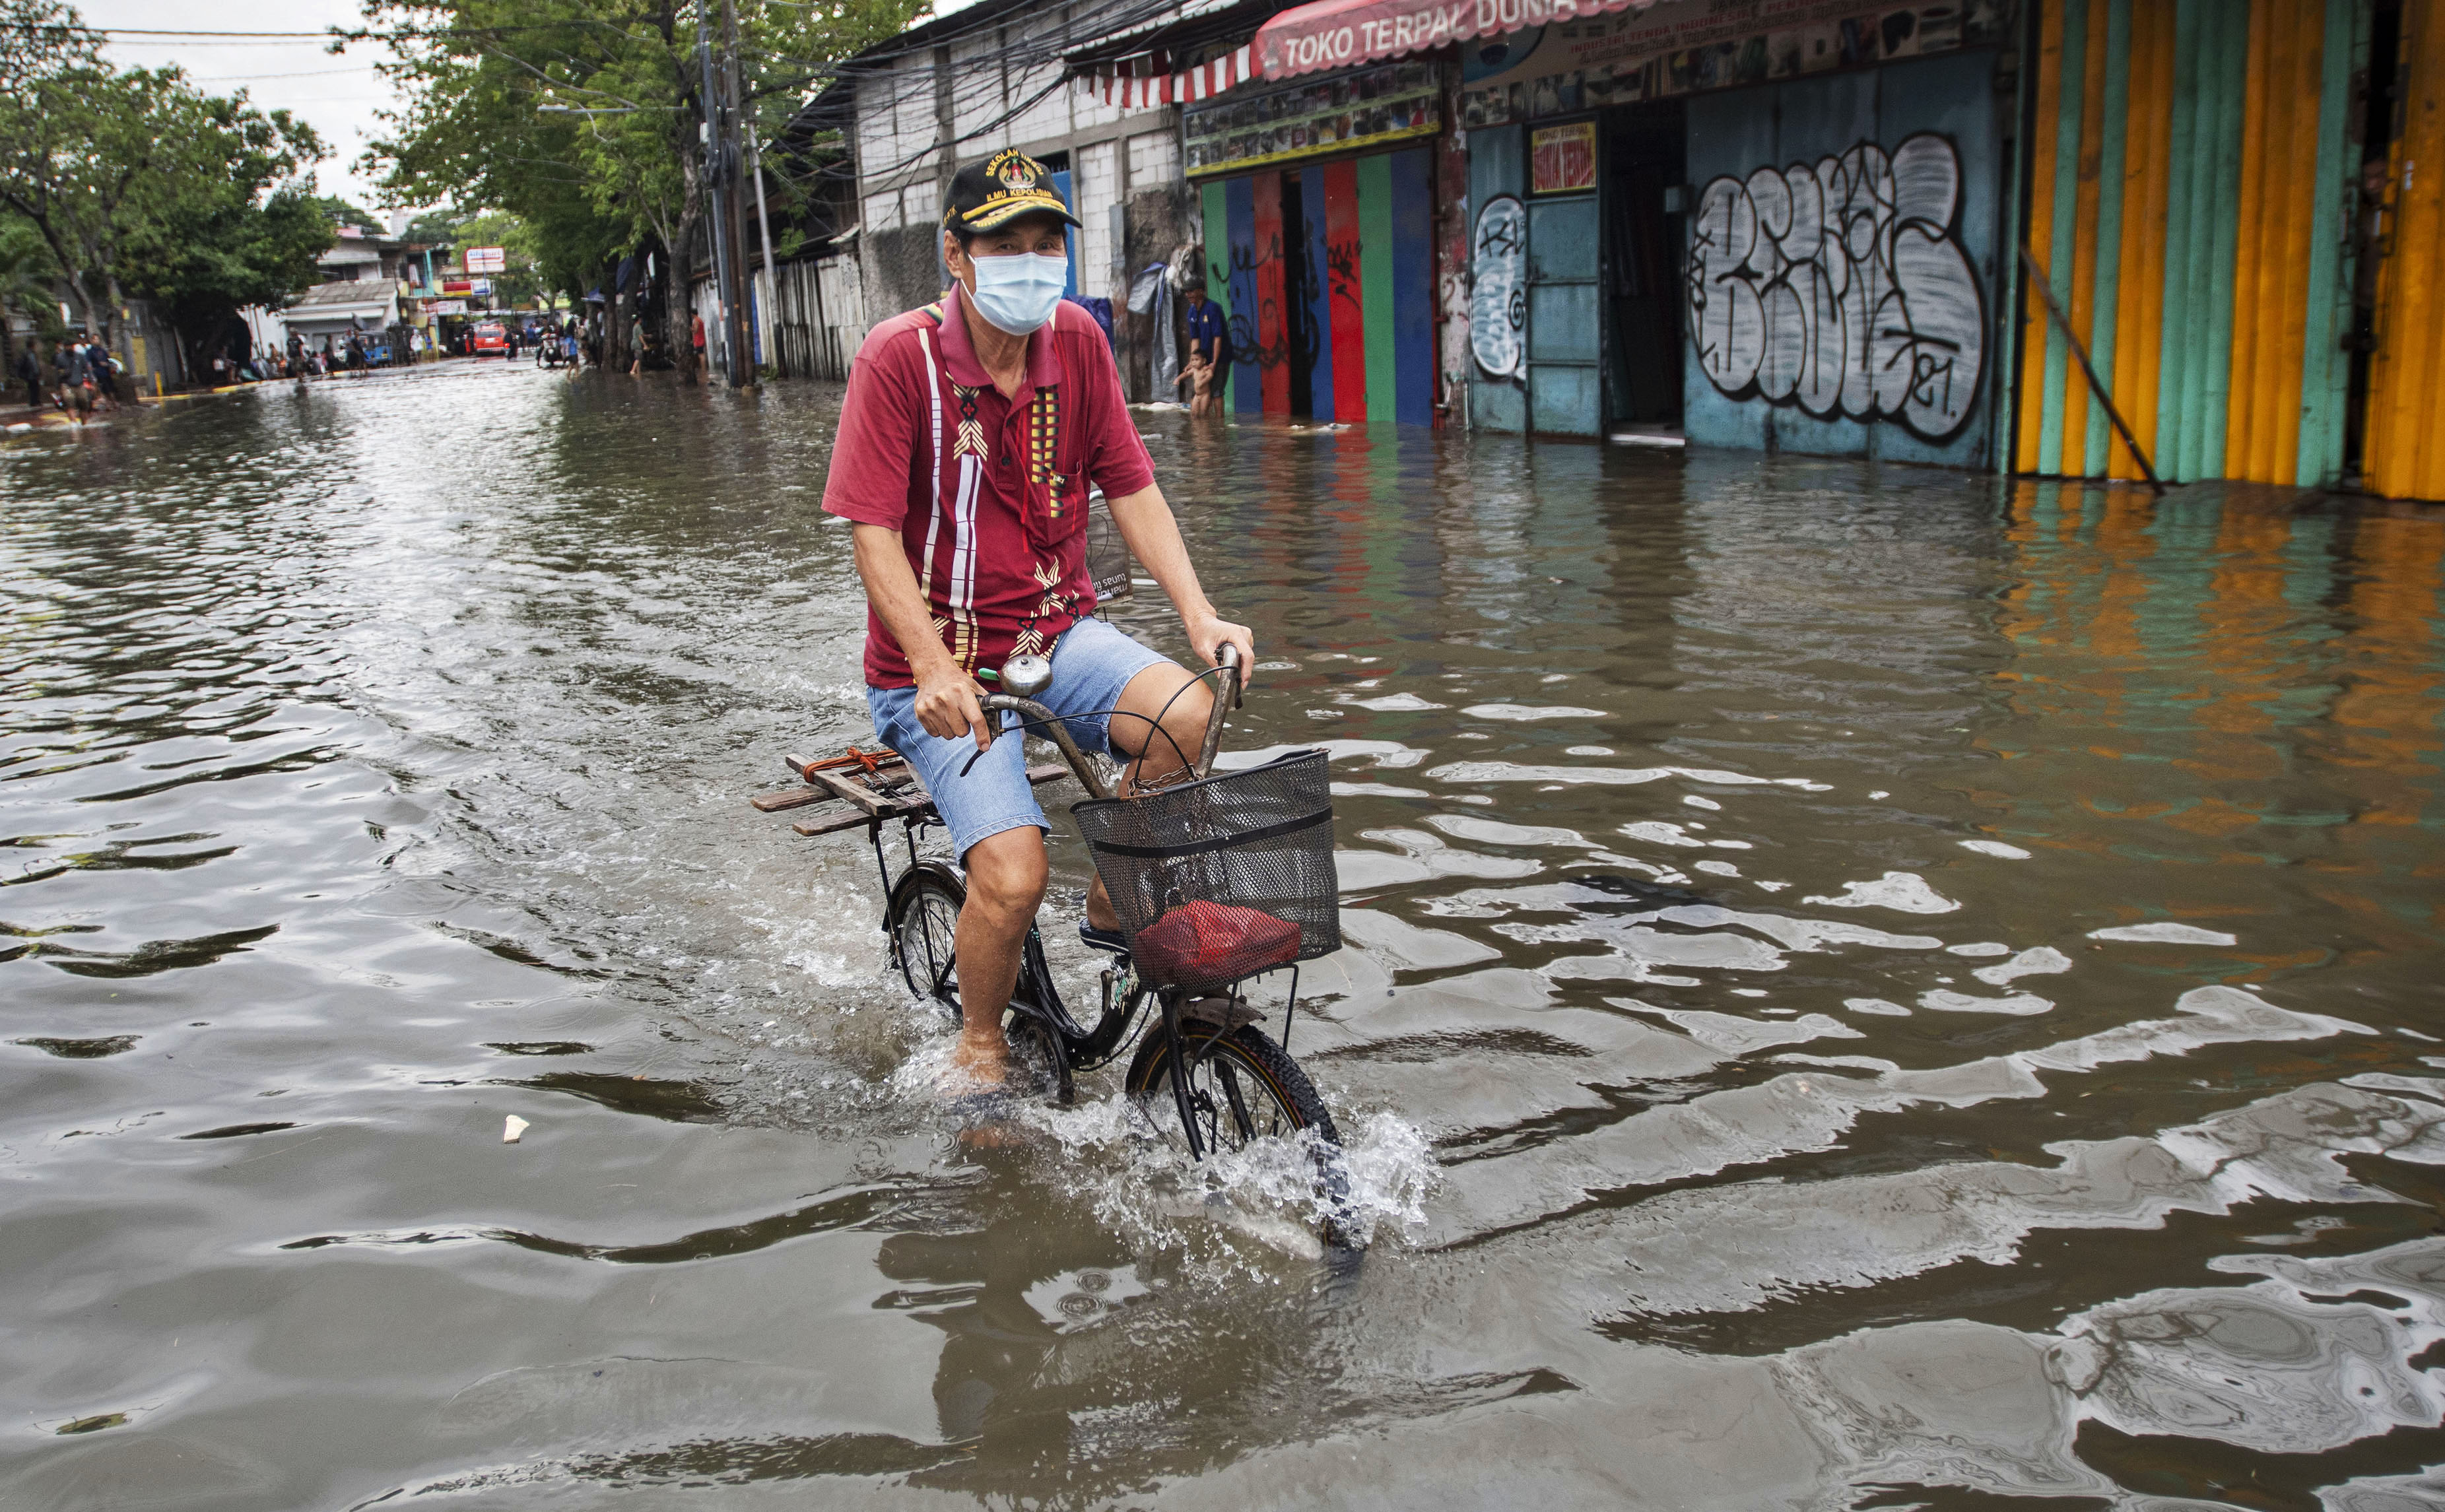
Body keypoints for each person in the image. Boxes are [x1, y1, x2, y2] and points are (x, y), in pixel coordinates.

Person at [822, 148, 1254, 1090]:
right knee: (1013, 875)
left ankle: (1111, 894)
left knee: (1190, 711)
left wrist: (1200, 611)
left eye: (1044, 241)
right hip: (939, 672)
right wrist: (932, 664)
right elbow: (871, 532)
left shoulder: (1077, 340)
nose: (1030, 261)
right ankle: (980, 1039)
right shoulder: (901, 358)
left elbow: (1132, 485)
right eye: (1003, 243)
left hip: (1056, 638)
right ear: (958, 256)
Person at [1182, 283, 1228, 409]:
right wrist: (1192, 362)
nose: (1188, 295)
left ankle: (1219, 425)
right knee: (1199, 390)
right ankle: (1202, 426)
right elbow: (1195, 338)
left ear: (1201, 291)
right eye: (1186, 292)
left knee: (1217, 392)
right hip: (1202, 357)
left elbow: (1218, 337)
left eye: (1191, 291)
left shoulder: (1213, 309)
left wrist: (1214, 361)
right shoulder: (1192, 311)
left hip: (1220, 356)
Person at [1173, 345, 1216, 415]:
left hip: (1205, 395)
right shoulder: (1194, 370)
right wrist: (1178, 379)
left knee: (1204, 413)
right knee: (1194, 414)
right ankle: (1195, 426)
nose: (1194, 362)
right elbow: (1186, 374)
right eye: (1192, 360)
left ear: (1204, 361)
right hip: (1197, 395)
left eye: (1197, 360)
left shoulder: (1206, 369)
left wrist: (1203, 382)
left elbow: (1210, 375)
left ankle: (1205, 425)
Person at [14, 343, 40, 409]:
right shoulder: (28, 354)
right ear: (32, 347)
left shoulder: (29, 354)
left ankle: (36, 401)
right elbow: (32, 365)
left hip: (32, 375)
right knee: (33, 388)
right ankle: (33, 402)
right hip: (31, 375)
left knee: (35, 388)